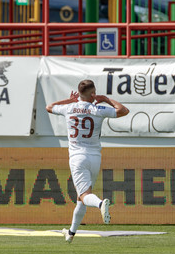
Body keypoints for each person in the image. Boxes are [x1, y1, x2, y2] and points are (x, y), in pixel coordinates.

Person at [46, 79, 129, 243]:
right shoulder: (98, 109)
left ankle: (100, 204)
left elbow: (49, 107)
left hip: (77, 157)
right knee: (81, 198)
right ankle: (70, 233)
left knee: (85, 195)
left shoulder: (69, 108)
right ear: (92, 94)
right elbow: (123, 110)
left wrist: (69, 100)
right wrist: (105, 99)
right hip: (95, 157)